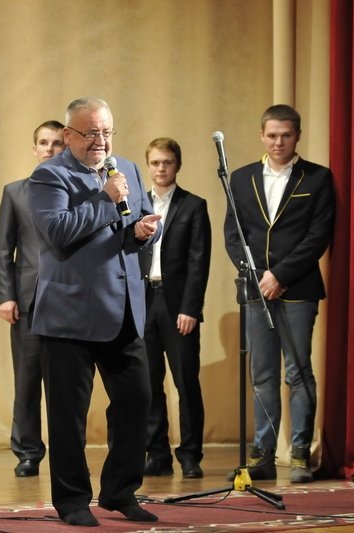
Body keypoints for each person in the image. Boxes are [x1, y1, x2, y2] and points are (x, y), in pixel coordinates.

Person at [28, 97, 162, 527]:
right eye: (91, 133)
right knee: (69, 415)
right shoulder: (49, 175)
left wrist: (143, 231)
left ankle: (120, 491)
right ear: (69, 136)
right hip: (69, 315)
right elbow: (58, 231)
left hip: (123, 308)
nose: (101, 141)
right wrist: (106, 199)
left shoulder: (128, 169)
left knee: (138, 401)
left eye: (106, 132)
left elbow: (138, 224)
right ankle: (72, 501)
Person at [223, 104, 335, 484]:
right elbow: (234, 234)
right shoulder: (241, 178)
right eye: (272, 135)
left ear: (297, 136)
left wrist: (280, 275)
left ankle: (300, 453)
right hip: (256, 290)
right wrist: (257, 276)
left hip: (298, 289)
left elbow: (318, 236)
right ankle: (263, 454)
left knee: (298, 371)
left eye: (286, 135)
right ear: (261, 135)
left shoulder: (318, 178)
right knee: (262, 374)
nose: (278, 142)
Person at [0, 120, 65, 477]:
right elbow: (4, 248)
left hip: (67, 300)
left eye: (56, 143)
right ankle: (27, 452)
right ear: (34, 148)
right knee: (26, 382)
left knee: (64, 384)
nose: (50, 149)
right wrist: (6, 296)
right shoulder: (15, 192)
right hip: (27, 301)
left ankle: (66, 453)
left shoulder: (77, 190)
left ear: (65, 148)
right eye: (44, 143)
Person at [138, 138, 211, 479]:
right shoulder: (136, 205)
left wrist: (190, 308)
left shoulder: (193, 206)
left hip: (178, 306)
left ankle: (191, 455)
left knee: (186, 382)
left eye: (167, 162)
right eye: (155, 162)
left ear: (177, 165)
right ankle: (157, 455)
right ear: (148, 166)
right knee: (149, 384)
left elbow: (199, 261)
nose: (161, 168)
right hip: (144, 303)